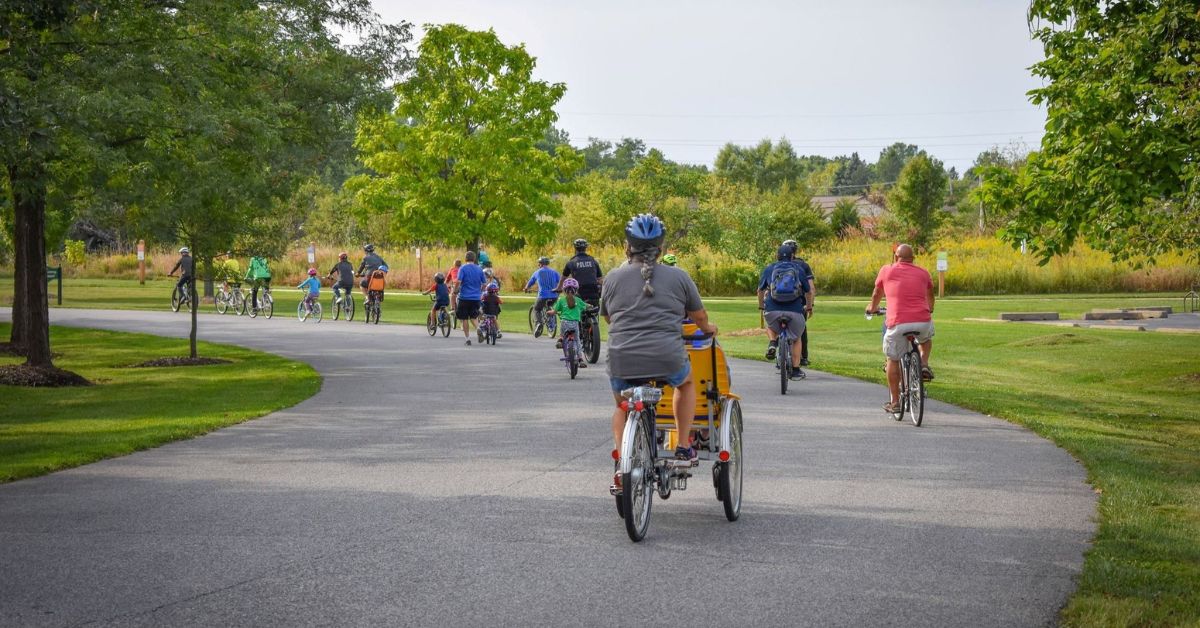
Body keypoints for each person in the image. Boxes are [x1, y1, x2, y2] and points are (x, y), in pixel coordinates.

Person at [602, 213, 717, 474]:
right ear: (661, 247)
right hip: (667, 356)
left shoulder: (612, 278)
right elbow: (699, 317)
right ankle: (684, 445)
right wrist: (708, 329)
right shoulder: (679, 277)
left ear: (627, 246)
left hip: (623, 359)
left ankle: (622, 463)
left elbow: (609, 317)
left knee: (622, 405)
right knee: (686, 384)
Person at [866, 243, 935, 414]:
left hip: (898, 322)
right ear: (913, 259)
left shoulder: (886, 270)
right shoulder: (923, 272)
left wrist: (872, 308)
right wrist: (930, 308)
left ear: (896, 257)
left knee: (893, 358)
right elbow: (931, 295)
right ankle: (924, 363)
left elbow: (876, 294)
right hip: (922, 320)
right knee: (925, 340)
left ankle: (895, 402)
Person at [758, 245, 813, 381]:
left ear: (777, 255)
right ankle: (795, 370)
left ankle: (772, 342)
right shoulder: (798, 269)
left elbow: (760, 290)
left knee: (770, 326)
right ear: (792, 256)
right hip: (794, 310)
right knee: (797, 337)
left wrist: (761, 306)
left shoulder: (770, 269)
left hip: (773, 310)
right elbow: (808, 291)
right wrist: (809, 307)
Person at [782, 239, 816, 366]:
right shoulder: (803, 265)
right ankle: (803, 357)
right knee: (801, 330)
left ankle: (778, 348)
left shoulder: (776, 265)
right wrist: (810, 306)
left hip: (778, 303)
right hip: (799, 304)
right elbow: (811, 288)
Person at [453, 250, 487, 345]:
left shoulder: (463, 268)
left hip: (464, 297)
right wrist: (480, 290)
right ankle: (478, 328)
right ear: (474, 259)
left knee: (464, 318)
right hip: (476, 298)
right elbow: (484, 283)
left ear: (465, 259)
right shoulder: (479, 269)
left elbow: (458, 282)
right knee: (473, 316)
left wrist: (455, 291)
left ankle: (467, 339)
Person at [559, 238, 604, 306]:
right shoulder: (593, 261)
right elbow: (600, 279)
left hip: (579, 292)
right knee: (594, 309)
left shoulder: (571, 262)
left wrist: (559, 287)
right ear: (585, 248)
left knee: (576, 311)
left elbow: (564, 277)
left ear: (575, 248)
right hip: (593, 291)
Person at [555, 278, 588, 368]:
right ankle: (580, 359)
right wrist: (590, 306)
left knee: (562, 331)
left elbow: (555, 310)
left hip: (564, 323)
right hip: (575, 324)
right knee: (577, 341)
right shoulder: (578, 300)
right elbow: (586, 307)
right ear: (576, 290)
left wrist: (550, 312)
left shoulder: (561, 300)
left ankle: (561, 339)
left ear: (564, 290)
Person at [524, 256, 561, 336]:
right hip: (554, 295)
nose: (538, 265)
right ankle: (551, 325)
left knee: (536, 308)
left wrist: (526, 288)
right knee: (550, 306)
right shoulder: (554, 272)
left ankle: (538, 323)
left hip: (543, 295)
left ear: (540, 264)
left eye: (539, 263)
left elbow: (531, 282)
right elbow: (561, 281)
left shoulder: (538, 272)